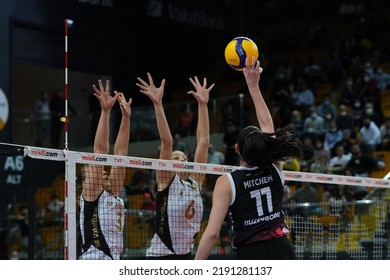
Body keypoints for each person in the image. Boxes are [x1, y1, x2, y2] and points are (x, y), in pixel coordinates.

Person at [194, 58, 303, 260]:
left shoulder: (227, 182)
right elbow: (267, 126)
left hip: (249, 255)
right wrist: (253, 86)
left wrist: (195, 267)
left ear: (236, 148)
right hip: (282, 250)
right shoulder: (274, 166)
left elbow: (211, 234)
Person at [136, 72, 214, 259]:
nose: (182, 160)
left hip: (186, 255)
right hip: (160, 256)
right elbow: (167, 142)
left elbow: (203, 143)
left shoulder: (196, 182)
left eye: (184, 158)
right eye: (176, 158)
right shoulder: (166, 180)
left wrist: (203, 105)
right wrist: (158, 104)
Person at [79, 79, 132, 260]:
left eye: (105, 172)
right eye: (100, 173)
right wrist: (105, 111)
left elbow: (121, 154)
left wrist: (126, 118)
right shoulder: (92, 194)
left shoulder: (114, 193)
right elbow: (100, 151)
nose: (105, 173)